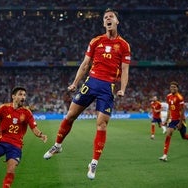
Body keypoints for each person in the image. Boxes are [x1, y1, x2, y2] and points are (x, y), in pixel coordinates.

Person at [43, 8, 131, 180]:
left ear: (117, 21)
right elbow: (85, 64)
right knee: (70, 115)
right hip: (90, 83)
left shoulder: (124, 45)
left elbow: (125, 70)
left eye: (111, 17)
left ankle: (93, 163)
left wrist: (123, 88)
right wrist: (75, 83)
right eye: (105, 17)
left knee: (101, 124)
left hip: (108, 87)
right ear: (103, 23)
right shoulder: (96, 41)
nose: (108, 19)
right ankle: (57, 146)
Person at [0, 86, 48, 188]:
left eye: (24, 95)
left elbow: (34, 128)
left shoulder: (27, 112)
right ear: (13, 96)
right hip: (1, 141)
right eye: (20, 94)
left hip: (16, 145)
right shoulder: (3, 108)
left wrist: (41, 135)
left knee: (11, 169)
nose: (23, 97)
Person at [159, 81, 188, 162]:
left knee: (183, 136)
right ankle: (165, 155)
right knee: (168, 134)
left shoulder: (180, 97)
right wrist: (166, 120)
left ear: (177, 88)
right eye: (171, 87)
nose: (172, 88)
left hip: (180, 119)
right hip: (173, 120)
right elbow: (169, 108)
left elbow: (183, 110)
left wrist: (180, 123)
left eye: (174, 87)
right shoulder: (168, 96)